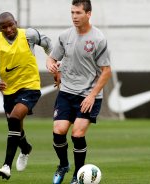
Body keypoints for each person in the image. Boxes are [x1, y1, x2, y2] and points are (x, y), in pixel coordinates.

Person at [46, 0, 112, 183]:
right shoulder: (65, 35)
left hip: (88, 95)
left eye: (78, 13)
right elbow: (51, 58)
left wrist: (92, 96)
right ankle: (63, 165)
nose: (74, 17)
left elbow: (107, 71)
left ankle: (77, 175)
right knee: (58, 131)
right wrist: (52, 67)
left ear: (88, 14)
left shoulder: (98, 39)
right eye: (72, 13)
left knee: (77, 134)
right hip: (66, 92)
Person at [0, 12, 53, 180]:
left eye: (11, 25)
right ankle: (25, 149)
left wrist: (54, 62)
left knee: (15, 118)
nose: (9, 29)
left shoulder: (29, 35)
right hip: (9, 90)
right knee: (15, 127)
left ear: (16, 22)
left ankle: (6, 166)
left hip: (30, 86)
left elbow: (48, 43)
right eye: (4, 27)